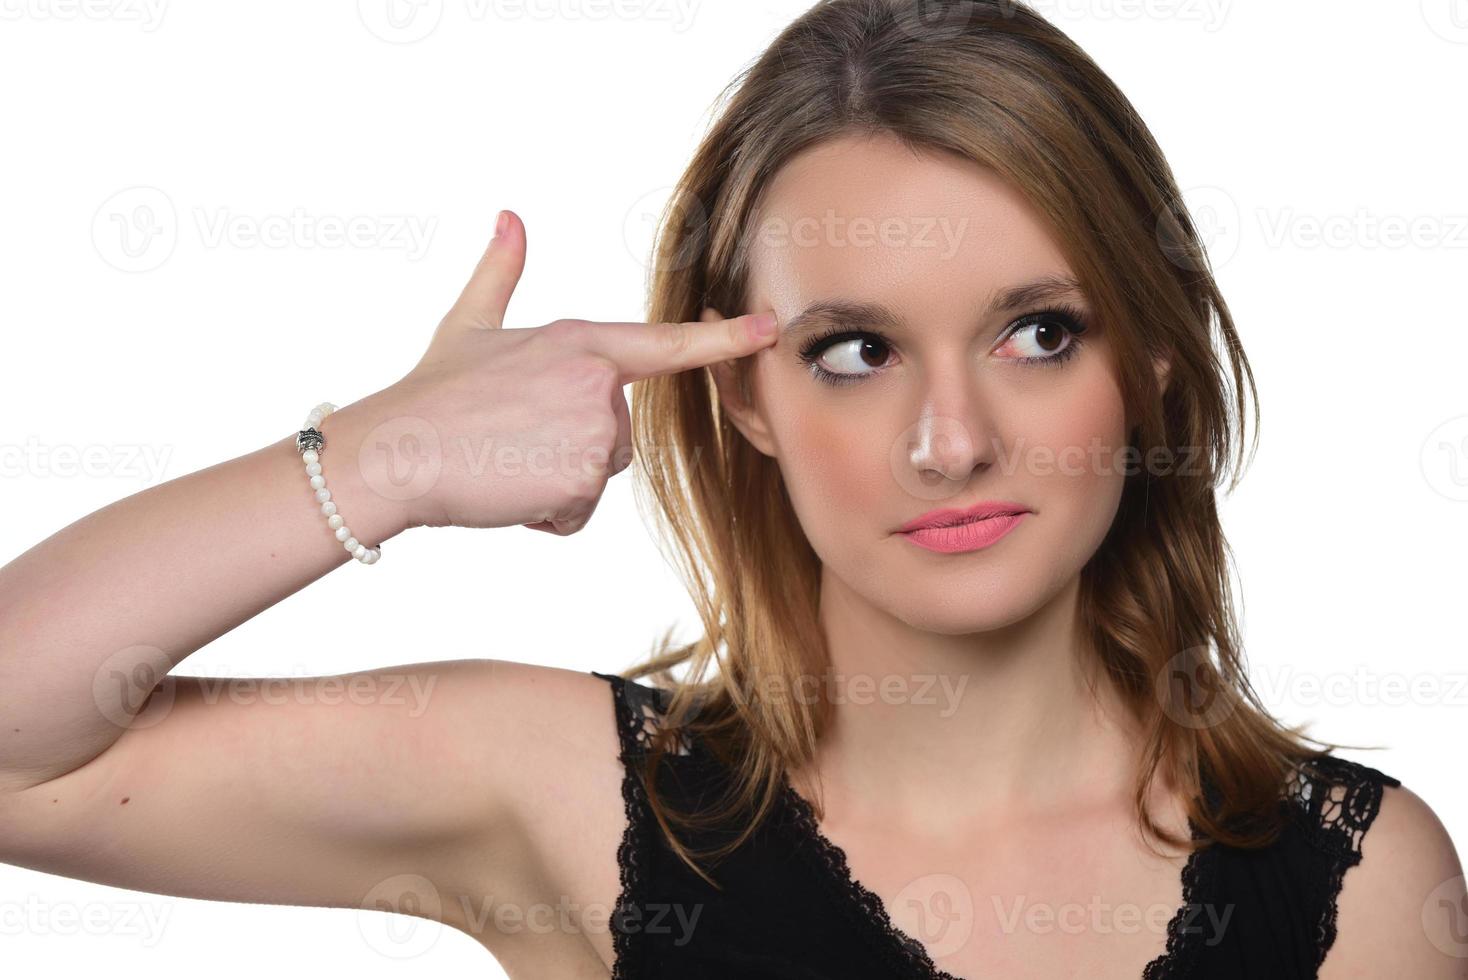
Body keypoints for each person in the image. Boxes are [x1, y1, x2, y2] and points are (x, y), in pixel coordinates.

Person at [1, 1, 1463, 977]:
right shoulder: (570, 794)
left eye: (1037, 333)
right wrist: (381, 462)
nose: (950, 440)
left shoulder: (1366, 885)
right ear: (746, 395)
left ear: (1147, 358)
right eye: (854, 350)